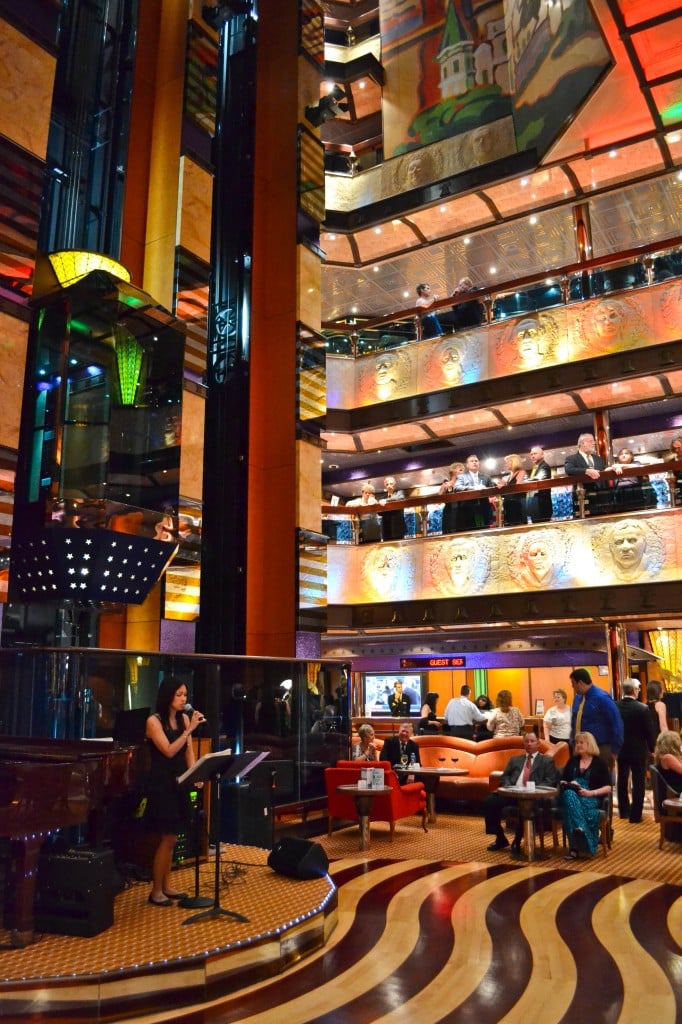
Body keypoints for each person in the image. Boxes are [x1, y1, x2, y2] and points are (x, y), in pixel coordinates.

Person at [145, 677, 206, 906]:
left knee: (173, 837)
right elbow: (169, 751)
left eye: (185, 695)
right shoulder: (154, 721)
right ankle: (156, 890)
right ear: (168, 695)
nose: (184, 699)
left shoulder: (183, 719)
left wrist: (195, 774)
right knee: (167, 837)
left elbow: (188, 750)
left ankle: (167, 885)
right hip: (162, 784)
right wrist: (189, 729)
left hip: (180, 782)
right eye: (179, 694)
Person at [483, 731, 560, 853]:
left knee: (525, 806)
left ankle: (517, 841)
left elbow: (550, 781)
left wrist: (534, 789)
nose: (529, 744)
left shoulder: (546, 761)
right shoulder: (515, 760)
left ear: (538, 743)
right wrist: (508, 786)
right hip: (512, 792)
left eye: (532, 741)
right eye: (526, 741)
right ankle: (500, 837)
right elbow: (505, 776)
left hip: (532, 796)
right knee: (489, 801)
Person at [559, 731, 612, 858]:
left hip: (590, 797)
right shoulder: (572, 761)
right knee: (569, 795)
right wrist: (570, 783)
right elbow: (562, 780)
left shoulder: (600, 763)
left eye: (581, 742)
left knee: (569, 807)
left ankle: (574, 848)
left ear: (590, 744)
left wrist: (590, 793)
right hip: (573, 794)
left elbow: (608, 787)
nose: (578, 745)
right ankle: (585, 836)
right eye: (576, 743)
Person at [616, 678, 655, 823]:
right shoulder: (642, 708)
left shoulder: (616, 706)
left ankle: (623, 811)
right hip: (638, 749)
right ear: (634, 690)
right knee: (639, 781)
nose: (638, 691)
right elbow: (648, 731)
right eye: (638, 688)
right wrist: (652, 748)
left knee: (622, 779)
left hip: (620, 747)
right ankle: (635, 815)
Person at [568, 668, 623, 769]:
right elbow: (574, 721)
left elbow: (616, 723)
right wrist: (572, 742)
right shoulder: (577, 698)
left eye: (573, 683)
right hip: (579, 748)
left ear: (580, 683)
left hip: (600, 748)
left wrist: (615, 750)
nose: (572, 686)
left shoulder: (602, 698)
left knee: (599, 780)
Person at [564, 432, 614, 517]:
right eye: (590, 441)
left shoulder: (598, 459)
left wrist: (612, 469)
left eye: (593, 441)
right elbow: (569, 470)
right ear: (582, 443)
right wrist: (586, 471)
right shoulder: (571, 459)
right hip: (583, 499)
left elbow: (603, 472)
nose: (593, 443)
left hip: (601, 499)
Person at [454, 454, 495, 531]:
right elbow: (457, 487)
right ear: (467, 465)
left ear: (479, 464)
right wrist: (473, 488)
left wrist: (485, 489)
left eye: (476, 461)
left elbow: (493, 490)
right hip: (468, 509)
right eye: (472, 461)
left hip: (484, 508)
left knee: (486, 530)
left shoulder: (486, 477)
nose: (474, 462)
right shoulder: (462, 477)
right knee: (471, 531)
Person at [607, 447, 653, 511]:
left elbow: (639, 467)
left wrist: (620, 466)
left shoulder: (636, 463)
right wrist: (614, 467)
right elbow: (606, 470)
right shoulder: (615, 466)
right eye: (621, 454)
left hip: (634, 490)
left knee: (637, 511)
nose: (623, 455)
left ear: (631, 456)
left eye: (626, 453)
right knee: (622, 513)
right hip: (619, 492)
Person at [496, 454, 527, 526]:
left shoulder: (521, 472)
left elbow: (518, 488)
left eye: (508, 462)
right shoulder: (510, 475)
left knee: (517, 526)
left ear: (514, 462)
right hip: (509, 506)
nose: (506, 464)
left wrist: (505, 486)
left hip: (517, 506)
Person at [526, 445, 553, 523]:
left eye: (535, 454)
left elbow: (538, 478)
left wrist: (525, 481)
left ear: (542, 455)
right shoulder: (536, 467)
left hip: (542, 505)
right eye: (531, 454)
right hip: (536, 504)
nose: (533, 456)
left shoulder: (544, 466)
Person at [439, 462, 464, 535]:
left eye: (463, 470)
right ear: (453, 472)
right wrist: (443, 489)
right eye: (460, 470)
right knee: (449, 534)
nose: (463, 472)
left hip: (462, 512)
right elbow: (438, 500)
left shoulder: (465, 484)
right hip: (449, 513)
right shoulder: (446, 484)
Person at [379, 475, 406, 541]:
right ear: (385, 486)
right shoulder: (382, 497)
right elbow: (379, 512)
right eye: (387, 484)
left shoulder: (399, 493)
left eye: (391, 484)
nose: (389, 486)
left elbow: (400, 499)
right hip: (386, 528)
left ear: (395, 485)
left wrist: (386, 500)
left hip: (397, 527)